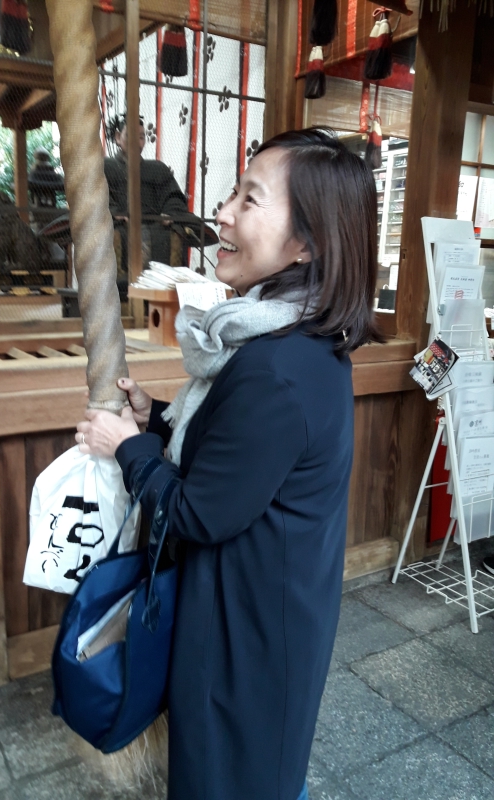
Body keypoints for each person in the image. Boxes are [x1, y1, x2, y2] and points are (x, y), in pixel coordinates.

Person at [76, 128, 382, 800]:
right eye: (233, 193)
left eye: (250, 199)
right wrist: (158, 418)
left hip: (247, 630)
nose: (222, 212)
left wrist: (126, 447)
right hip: (272, 605)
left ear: (307, 243)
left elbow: (199, 511)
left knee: (232, 776)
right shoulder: (291, 337)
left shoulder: (276, 365)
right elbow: (239, 451)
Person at [104, 114, 218, 293]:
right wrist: (114, 211)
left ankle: (167, 289)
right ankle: (120, 291)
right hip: (121, 225)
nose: (137, 142)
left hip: (157, 226)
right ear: (118, 137)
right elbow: (94, 196)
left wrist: (169, 213)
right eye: (130, 136)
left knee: (173, 232)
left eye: (141, 137)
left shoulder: (157, 169)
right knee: (117, 233)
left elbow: (173, 196)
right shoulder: (105, 166)